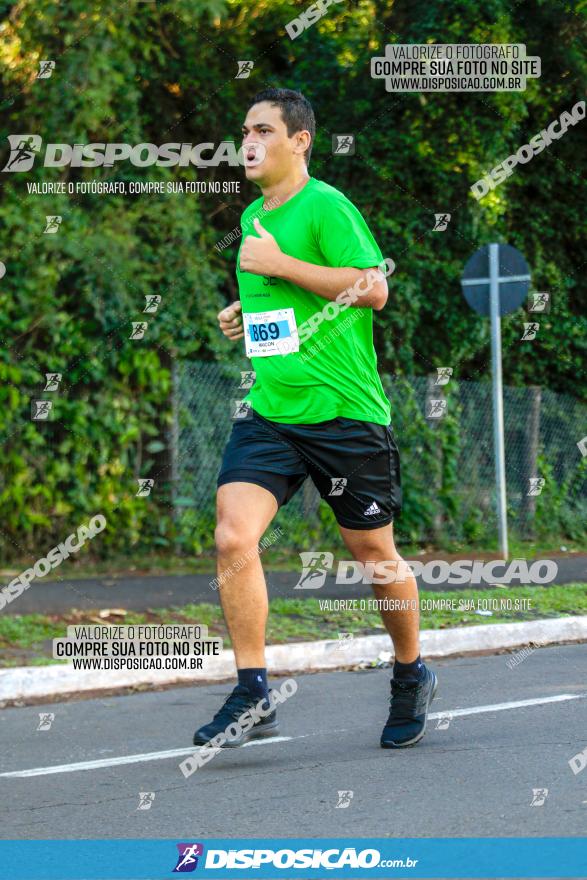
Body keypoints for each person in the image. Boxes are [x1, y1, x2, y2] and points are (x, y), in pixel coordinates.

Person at [193, 88, 437, 751]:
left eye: (264, 129)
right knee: (233, 538)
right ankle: (252, 692)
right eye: (244, 129)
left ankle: (410, 671)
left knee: (372, 553)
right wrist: (245, 312)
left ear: (298, 140)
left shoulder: (326, 205)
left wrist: (276, 265)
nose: (248, 139)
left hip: (343, 414)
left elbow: (372, 287)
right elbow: (290, 301)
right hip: (271, 413)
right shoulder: (251, 216)